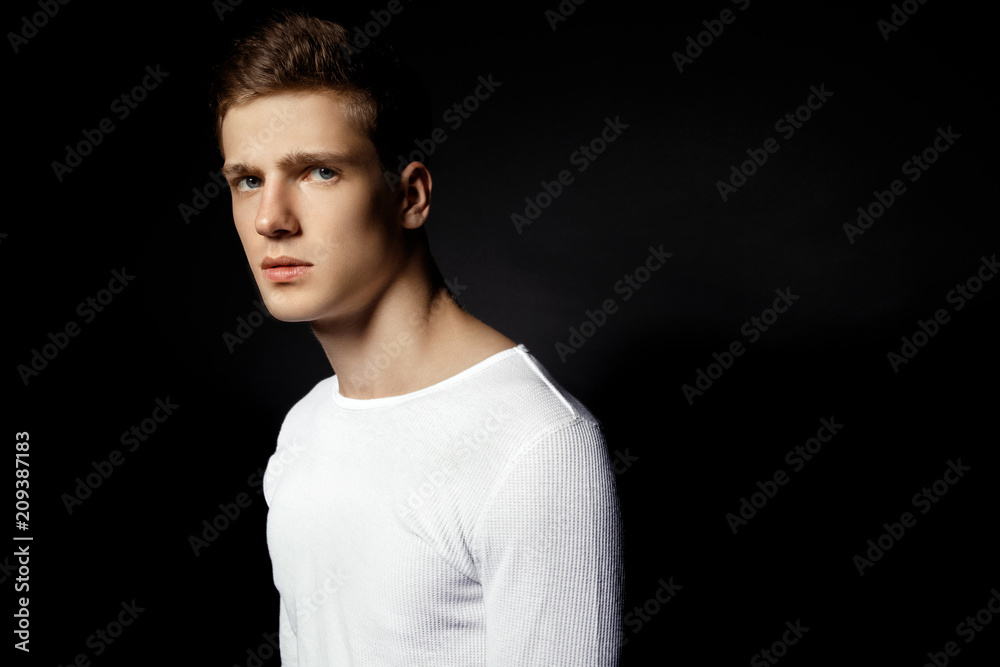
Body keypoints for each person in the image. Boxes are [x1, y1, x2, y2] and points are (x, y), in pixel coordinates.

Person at [212, 12, 624, 665]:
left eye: (319, 172)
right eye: (249, 180)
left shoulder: (537, 444)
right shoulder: (305, 426)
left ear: (410, 196)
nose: (270, 219)